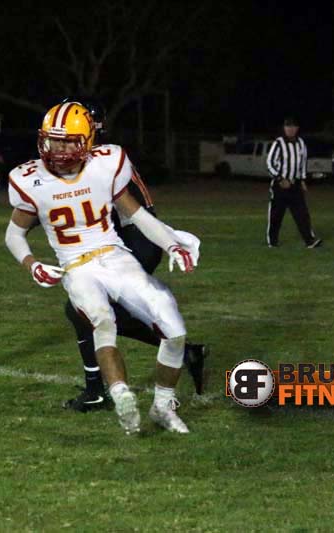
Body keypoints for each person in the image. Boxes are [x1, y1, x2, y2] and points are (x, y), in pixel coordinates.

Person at [5, 102, 198, 434]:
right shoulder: (30, 179)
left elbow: (138, 216)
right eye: (53, 140)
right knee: (102, 321)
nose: (59, 149)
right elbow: (13, 233)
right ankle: (120, 395)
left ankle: (163, 407)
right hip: (77, 267)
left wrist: (172, 244)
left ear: (87, 141)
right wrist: (32, 264)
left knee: (173, 327)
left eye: (68, 141)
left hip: (116, 257)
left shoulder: (106, 165)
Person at [56, 97, 207, 414]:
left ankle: (97, 390)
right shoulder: (103, 154)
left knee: (83, 311)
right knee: (89, 313)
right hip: (135, 238)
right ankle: (183, 352)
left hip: (136, 240)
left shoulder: (98, 161)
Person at [265, 117, 322, 248]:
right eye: (287, 127)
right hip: (280, 185)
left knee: (302, 213)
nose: (290, 129)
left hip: (295, 185)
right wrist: (280, 179)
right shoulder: (278, 143)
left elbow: (303, 163)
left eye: (292, 127)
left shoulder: (301, 143)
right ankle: (272, 241)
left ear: (297, 128)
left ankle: (310, 241)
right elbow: (270, 163)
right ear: (284, 128)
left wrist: (302, 180)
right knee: (276, 214)